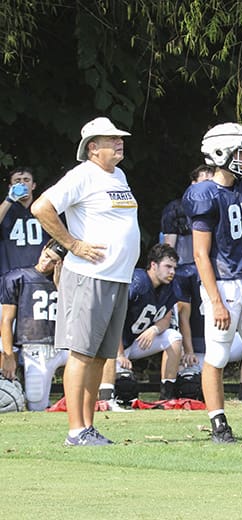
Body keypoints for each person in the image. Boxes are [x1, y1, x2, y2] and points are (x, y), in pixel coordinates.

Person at [31, 116, 140, 446]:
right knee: (80, 353)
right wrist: (74, 244)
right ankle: (75, 430)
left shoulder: (118, 175)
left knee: (98, 356)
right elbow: (41, 207)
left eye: (119, 138)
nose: (119, 142)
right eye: (111, 139)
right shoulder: (82, 175)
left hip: (116, 278)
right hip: (89, 277)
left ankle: (87, 426)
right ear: (93, 148)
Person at [182, 122, 242, 443]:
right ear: (220, 153)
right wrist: (215, 300)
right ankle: (218, 422)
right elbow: (201, 254)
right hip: (224, 283)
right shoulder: (204, 194)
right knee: (215, 356)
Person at [107, 243, 191, 401]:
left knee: (173, 337)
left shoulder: (169, 287)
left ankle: (167, 395)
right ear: (153, 265)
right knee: (124, 388)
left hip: (137, 341)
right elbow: (114, 317)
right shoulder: (138, 281)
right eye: (168, 266)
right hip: (114, 344)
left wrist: (154, 330)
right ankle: (107, 398)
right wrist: (119, 354)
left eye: (174, 267)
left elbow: (166, 319)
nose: (172, 272)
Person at [0, 239, 67, 411]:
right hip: (36, 348)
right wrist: (8, 355)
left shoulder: (69, 281)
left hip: (66, 346)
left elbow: (76, 316)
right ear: (43, 249)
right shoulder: (17, 277)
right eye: (46, 256)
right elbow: (7, 320)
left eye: (54, 261)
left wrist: (61, 286)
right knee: (36, 403)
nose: (46, 263)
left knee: (96, 363)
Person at [0, 166, 51, 275]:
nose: (22, 183)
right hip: (10, 276)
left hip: (40, 275)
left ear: (33, 186)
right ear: (10, 187)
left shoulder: (43, 209)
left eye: (26, 180)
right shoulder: (5, 209)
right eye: (17, 181)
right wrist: (9, 200)